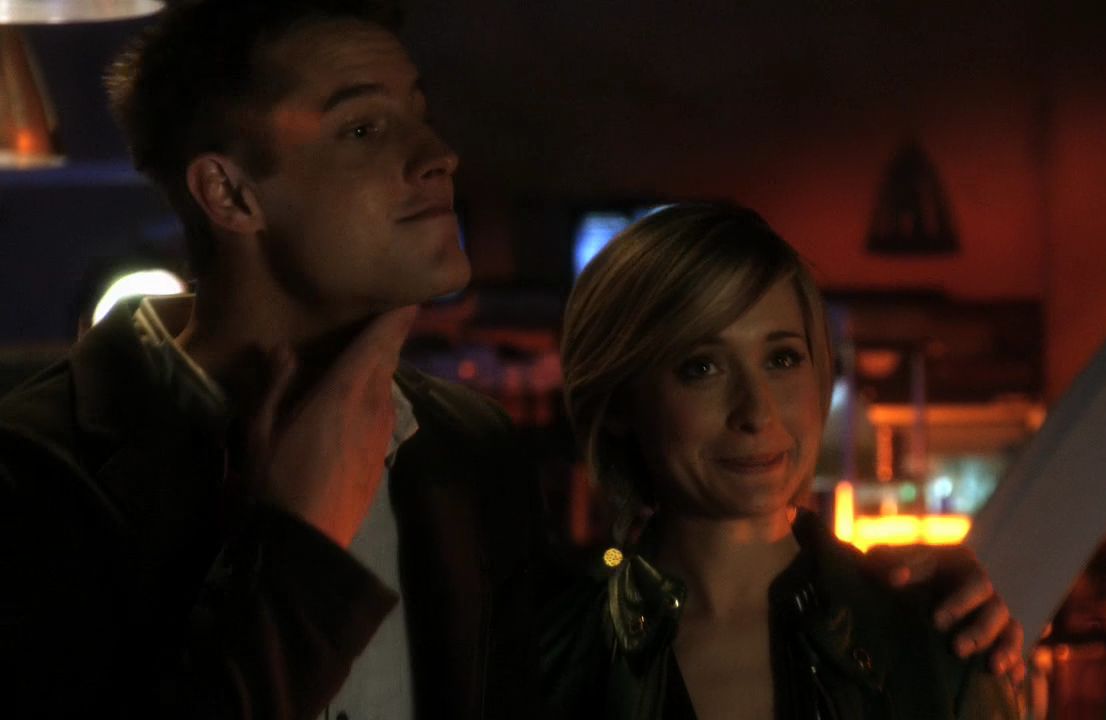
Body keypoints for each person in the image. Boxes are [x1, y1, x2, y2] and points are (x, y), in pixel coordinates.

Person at [0, 2, 1019, 718]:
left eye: (419, 112)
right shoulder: (35, 471)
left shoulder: (464, 451)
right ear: (230, 194)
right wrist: (297, 550)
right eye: (363, 127)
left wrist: (931, 608)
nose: (435, 153)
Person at [544, 203, 1018, 718]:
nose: (757, 410)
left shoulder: (932, 642)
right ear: (621, 401)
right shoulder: (545, 656)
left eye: (782, 358)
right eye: (702, 367)